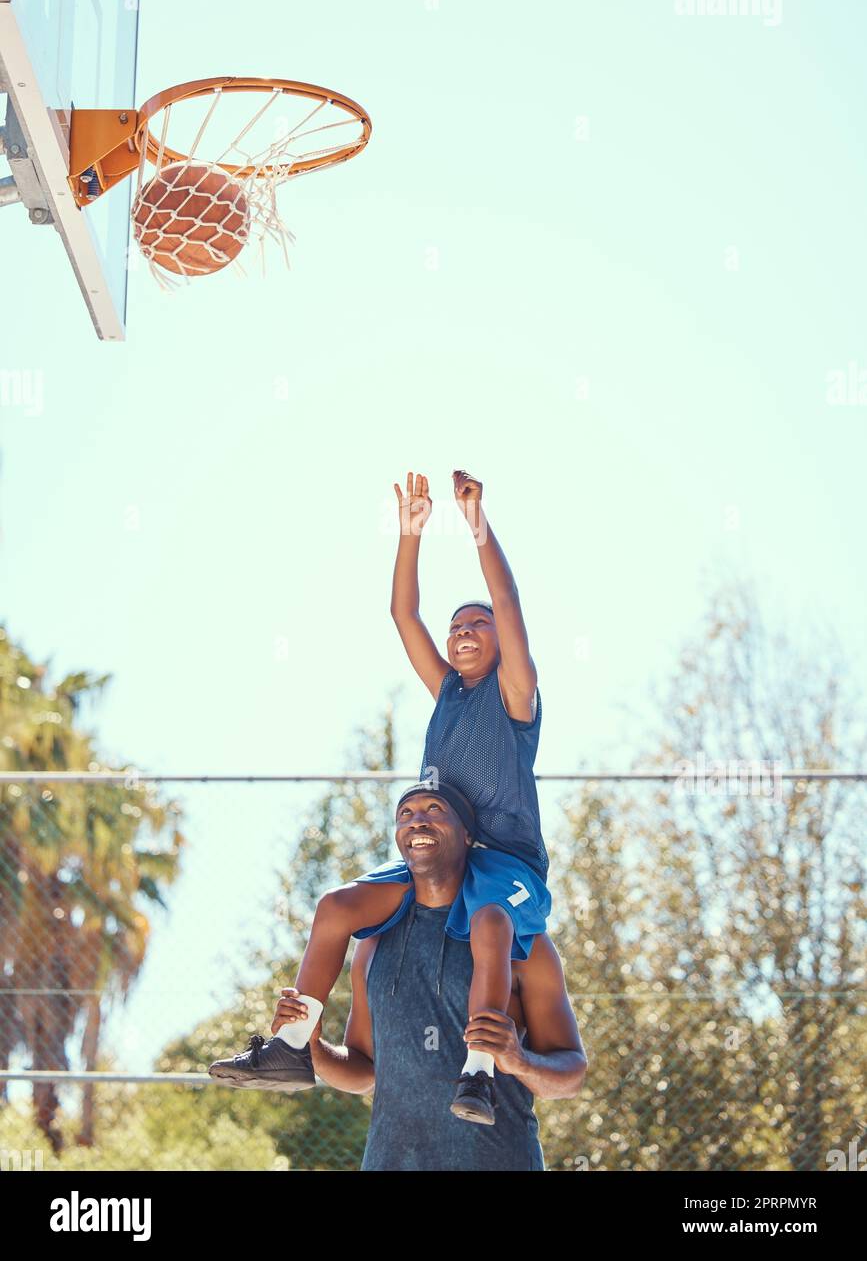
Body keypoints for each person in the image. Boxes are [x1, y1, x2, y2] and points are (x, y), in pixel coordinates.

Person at [209, 469, 551, 1126]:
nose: (463, 632)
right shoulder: (448, 689)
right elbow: (402, 613)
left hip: (504, 866)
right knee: (337, 907)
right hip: (437, 856)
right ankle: (288, 1044)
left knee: (488, 923)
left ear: (503, 643)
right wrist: (410, 534)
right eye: (456, 626)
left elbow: (508, 603)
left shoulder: (513, 700)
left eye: (477, 624)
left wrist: (475, 523)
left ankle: (476, 1075)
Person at [270, 787, 586, 1171]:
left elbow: (570, 1075)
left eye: (434, 809)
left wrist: (516, 1060)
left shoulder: (522, 943)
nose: (416, 820)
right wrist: (313, 1046)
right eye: (405, 813)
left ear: (467, 835)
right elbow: (365, 1073)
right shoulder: (372, 943)